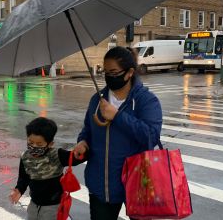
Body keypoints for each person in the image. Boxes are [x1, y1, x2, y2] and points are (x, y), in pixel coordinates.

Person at [73, 46, 162, 220]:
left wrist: (117, 116)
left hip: (138, 183)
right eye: (105, 71)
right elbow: (87, 130)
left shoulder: (146, 100)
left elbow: (151, 137)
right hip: (101, 185)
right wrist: (83, 142)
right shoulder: (97, 100)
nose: (108, 76)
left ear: (129, 73)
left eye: (113, 72)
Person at [9, 117, 86, 220]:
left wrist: (82, 151)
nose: (34, 146)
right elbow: (24, 177)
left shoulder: (56, 155)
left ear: (50, 144)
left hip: (53, 206)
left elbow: (75, 158)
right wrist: (19, 190)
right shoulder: (25, 157)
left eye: (39, 144)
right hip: (34, 204)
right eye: (31, 142)